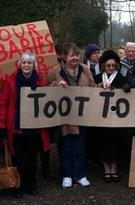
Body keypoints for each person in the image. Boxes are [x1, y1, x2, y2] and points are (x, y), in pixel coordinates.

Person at [0, 52, 51, 197]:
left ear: (34, 65)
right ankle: (17, 186)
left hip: (34, 128)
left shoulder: (41, 82)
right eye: (24, 62)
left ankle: (30, 185)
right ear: (20, 64)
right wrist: (1, 124)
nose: (26, 65)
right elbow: (3, 104)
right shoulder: (10, 81)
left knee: (32, 159)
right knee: (18, 158)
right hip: (16, 128)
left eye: (30, 63)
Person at [47, 43, 96, 188]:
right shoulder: (55, 71)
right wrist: (56, 83)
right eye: (72, 55)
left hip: (81, 114)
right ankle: (66, 175)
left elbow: (92, 86)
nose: (75, 58)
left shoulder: (85, 69)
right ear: (64, 56)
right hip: (64, 116)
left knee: (80, 145)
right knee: (66, 146)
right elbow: (45, 88)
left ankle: (80, 174)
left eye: (77, 55)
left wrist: (102, 87)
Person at [93, 50, 125, 183]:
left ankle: (114, 169)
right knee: (102, 141)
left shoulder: (122, 79)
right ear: (103, 66)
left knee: (116, 142)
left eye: (113, 65)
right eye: (108, 66)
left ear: (116, 66)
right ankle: (107, 169)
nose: (111, 68)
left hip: (117, 116)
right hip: (101, 117)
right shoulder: (97, 78)